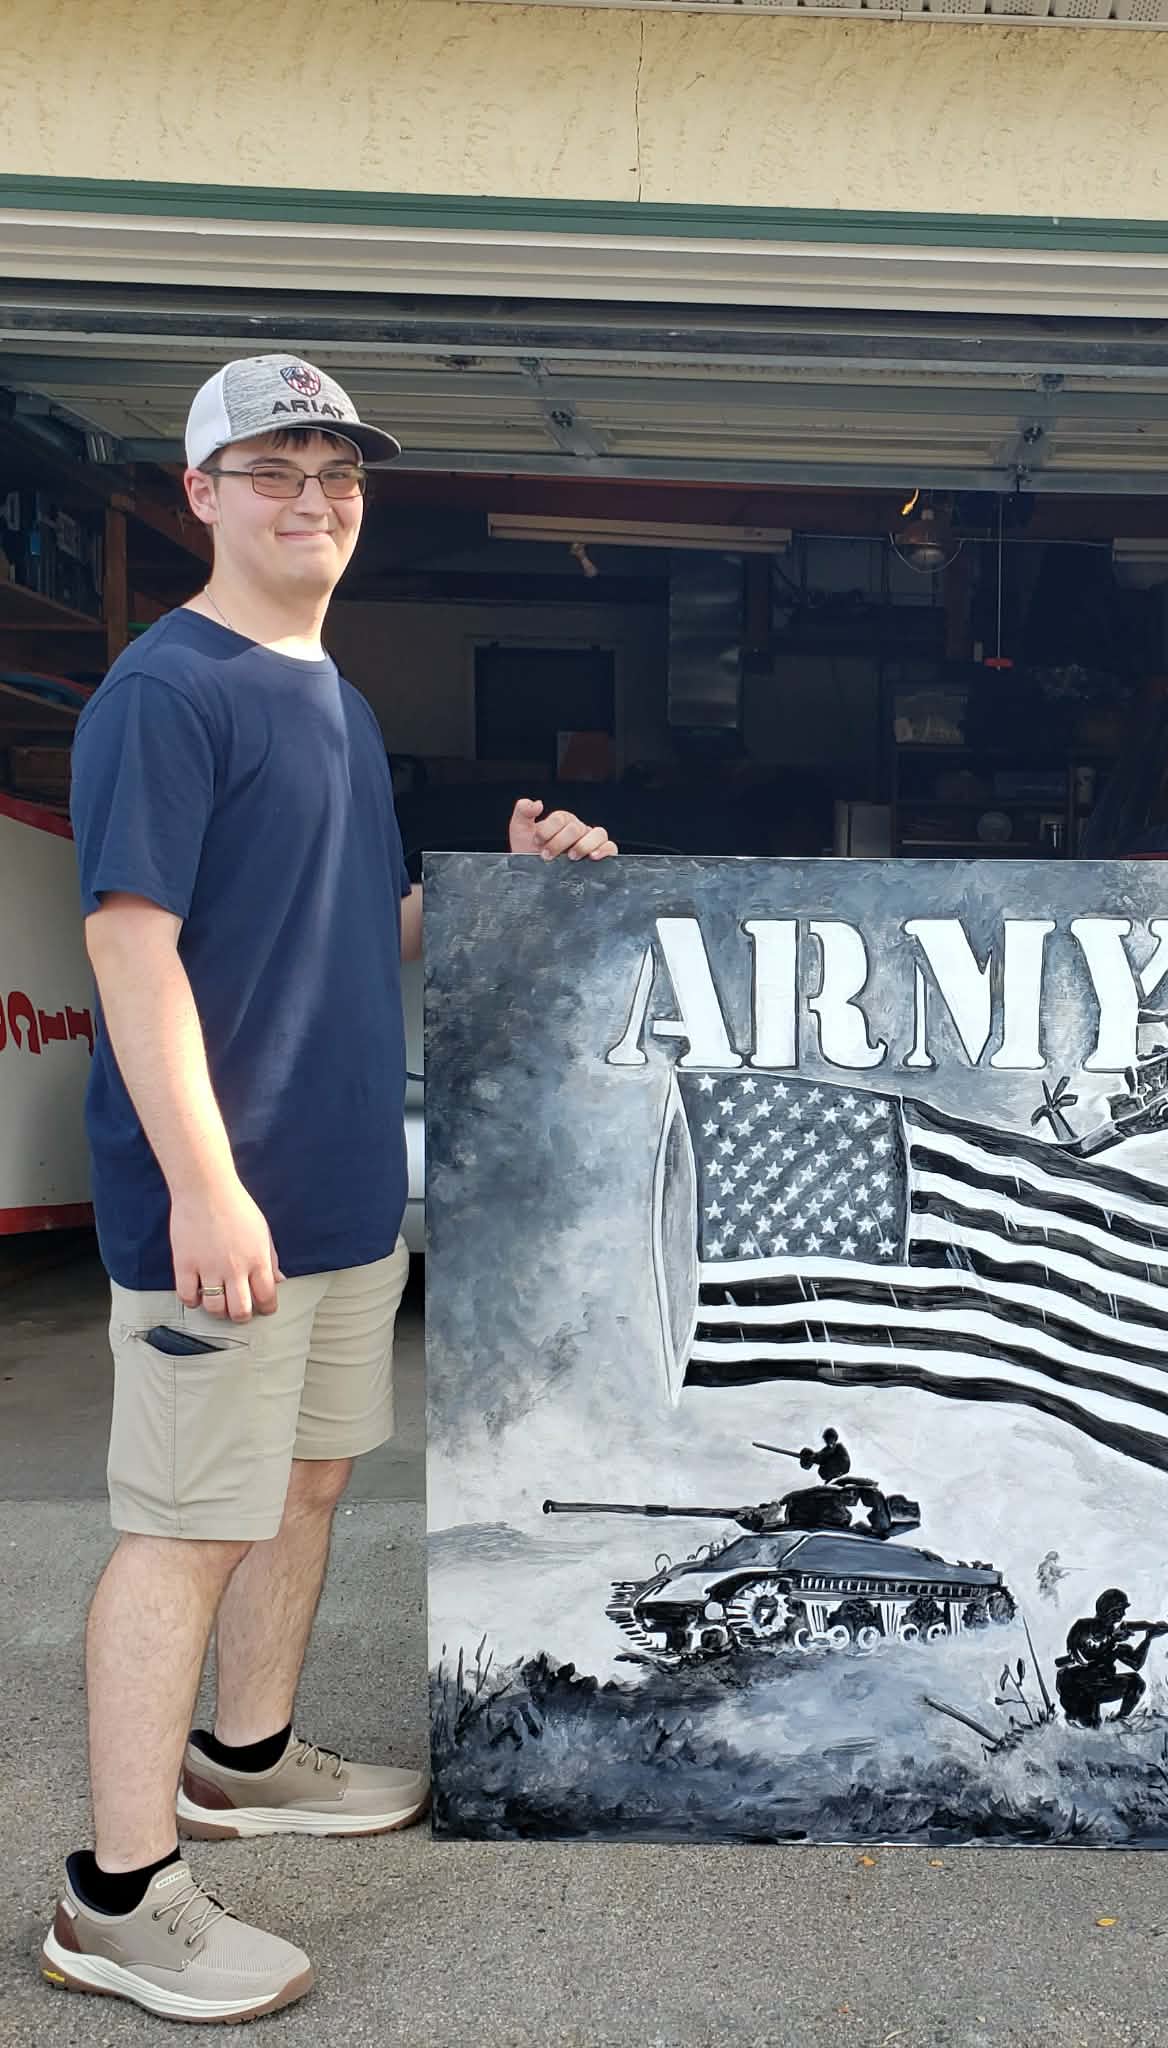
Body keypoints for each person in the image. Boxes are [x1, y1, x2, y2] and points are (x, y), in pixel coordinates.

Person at [40, 356, 618, 2023]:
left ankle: (247, 1754)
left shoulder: (332, 697)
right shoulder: (168, 692)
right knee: (184, 1527)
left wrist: (493, 892)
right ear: (197, 491)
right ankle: (118, 1896)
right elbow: (131, 950)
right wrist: (208, 1185)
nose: (313, 497)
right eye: (274, 467)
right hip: (229, 1212)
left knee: (300, 1490)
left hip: (350, 1200)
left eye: (337, 472)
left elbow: (356, 933)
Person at [1054, 1588, 1166, 1728]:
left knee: (1136, 1683)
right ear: (1109, 1610)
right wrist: (1112, 1640)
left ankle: (1120, 1720)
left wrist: (1148, 1638)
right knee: (1088, 1727)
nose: (1123, 1614)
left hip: (1101, 1684)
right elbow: (1084, 1655)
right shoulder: (1083, 1626)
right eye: (1120, 1610)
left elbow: (1136, 1663)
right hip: (1078, 1688)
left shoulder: (1113, 1637)